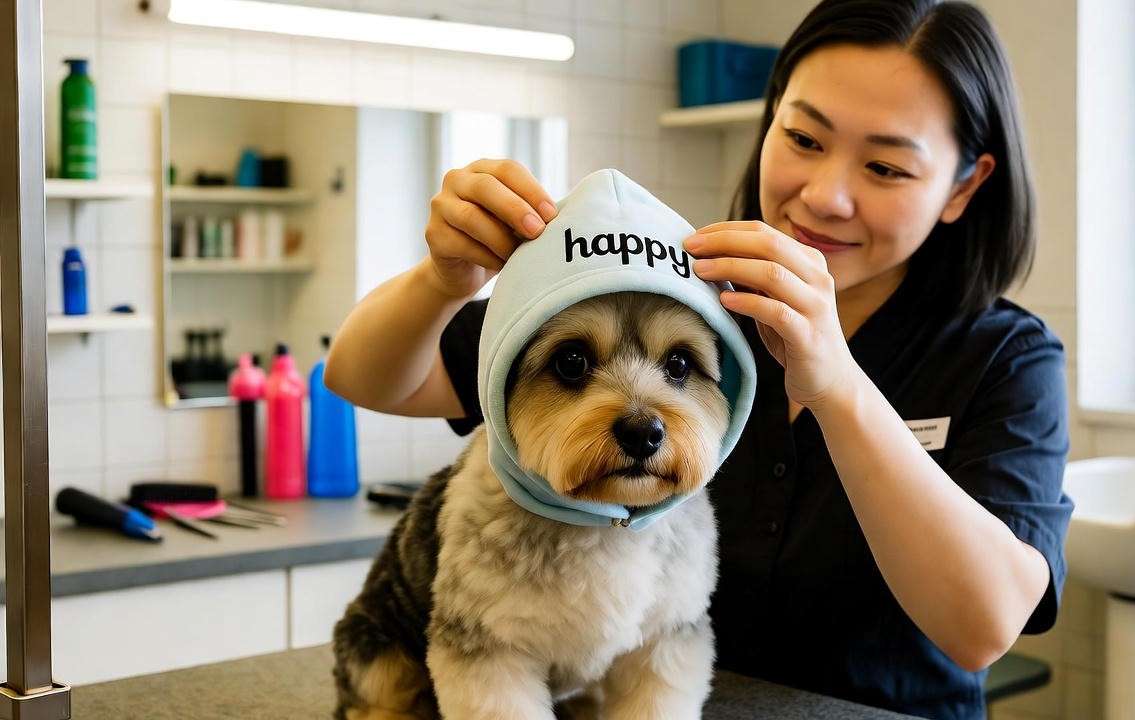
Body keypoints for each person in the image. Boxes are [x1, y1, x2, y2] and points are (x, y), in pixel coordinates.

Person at [324, 1, 1073, 718]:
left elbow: (983, 627)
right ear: (769, 117)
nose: (824, 196)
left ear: (964, 185)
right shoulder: (683, 293)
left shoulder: (1005, 358)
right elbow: (363, 378)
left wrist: (838, 384)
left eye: (885, 169)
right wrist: (439, 283)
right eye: (804, 140)